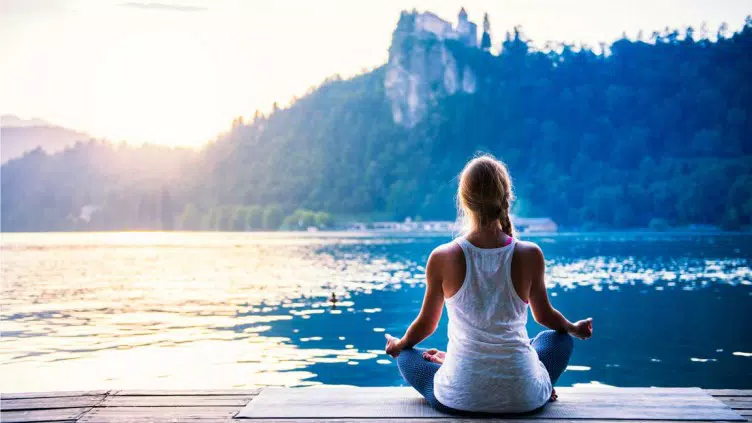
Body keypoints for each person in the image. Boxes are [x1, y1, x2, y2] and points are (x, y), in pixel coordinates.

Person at [384, 154, 593, 415]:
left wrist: (398, 344)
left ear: (463, 200)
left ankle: (454, 367)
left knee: (407, 355)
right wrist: (573, 328)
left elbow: (426, 325)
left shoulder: (442, 257)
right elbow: (545, 317)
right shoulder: (530, 254)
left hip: (459, 397)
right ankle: (535, 384)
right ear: (506, 197)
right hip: (524, 398)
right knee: (558, 339)